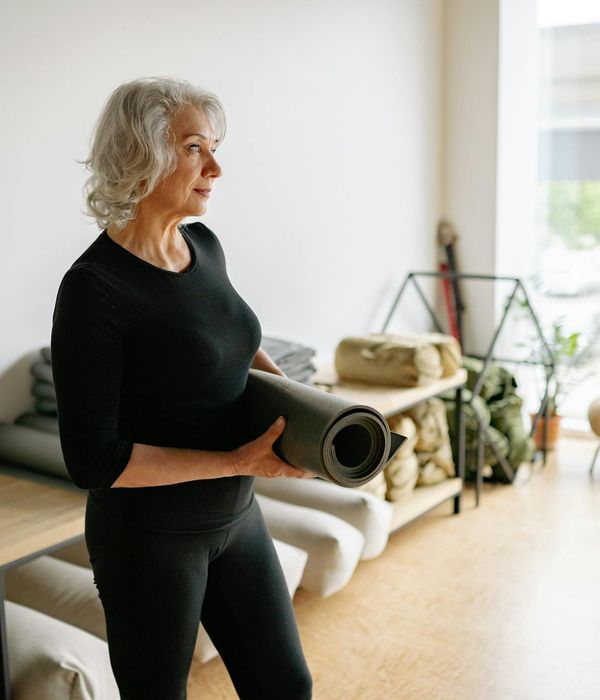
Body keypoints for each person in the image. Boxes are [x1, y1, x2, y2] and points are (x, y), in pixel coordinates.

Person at [51, 76, 314, 700]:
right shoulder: (93, 290)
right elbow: (94, 460)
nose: (216, 167)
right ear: (142, 154)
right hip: (150, 540)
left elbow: (236, 339)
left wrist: (311, 411)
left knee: (286, 685)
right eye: (196, 147)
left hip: (236, 518)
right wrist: (234, 459)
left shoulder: (203, 245)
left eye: (214, 147)